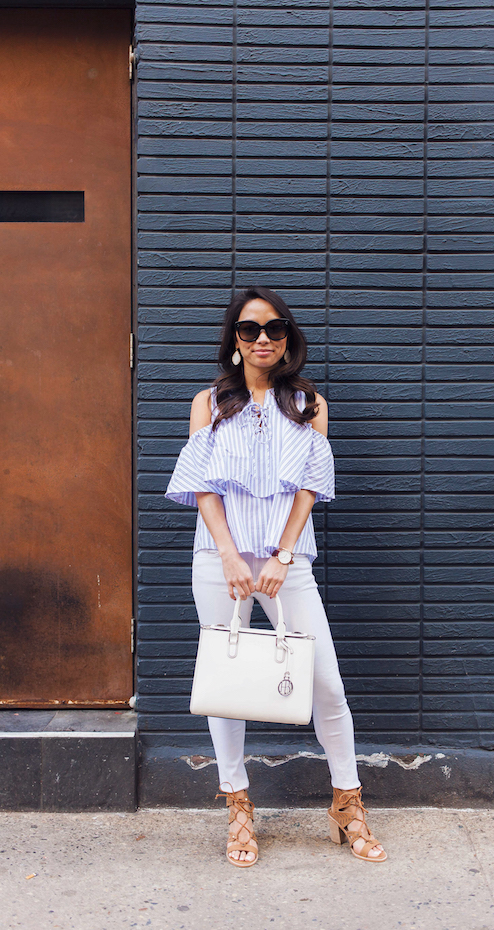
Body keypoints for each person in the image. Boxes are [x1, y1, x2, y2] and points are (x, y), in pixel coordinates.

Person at [165, 285, 386, 868]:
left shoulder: (309, 403)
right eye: (249, 329)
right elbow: (203, 485)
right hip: (220, 562)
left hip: (287, 562)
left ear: (288, 338)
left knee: (327, 686)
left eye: (274, 328)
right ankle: (239, 807)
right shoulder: (208, 404)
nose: (262, 338)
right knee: (226, 689)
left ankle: (347, 801)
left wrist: (283, 556)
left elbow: (309, 487)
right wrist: (233, 556)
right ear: (234, 340)